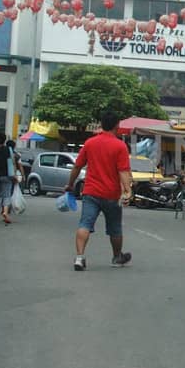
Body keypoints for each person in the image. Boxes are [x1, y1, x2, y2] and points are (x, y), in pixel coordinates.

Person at [65, 110, 133, 271]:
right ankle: (117, 257)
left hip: (91, 192)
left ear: (101, 125)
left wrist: (70, 184)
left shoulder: (90, 143)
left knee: (85, 224)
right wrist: (128, 191)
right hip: (111, 194)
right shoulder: (120, 146)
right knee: (115, 228)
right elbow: (123, 171)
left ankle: (79, 257)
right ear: (117, 125)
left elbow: (77, 166)